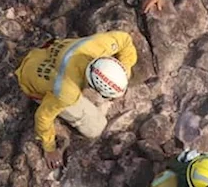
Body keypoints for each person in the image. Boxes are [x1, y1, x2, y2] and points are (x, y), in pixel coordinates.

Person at [15, 31, 137, 168]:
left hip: (42, 55)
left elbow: (125, 40)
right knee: (97, 127)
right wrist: (49, 148)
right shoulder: (67, 92)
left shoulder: (96, 46)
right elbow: (43, 117)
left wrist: (125, 68)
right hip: (29, 77)